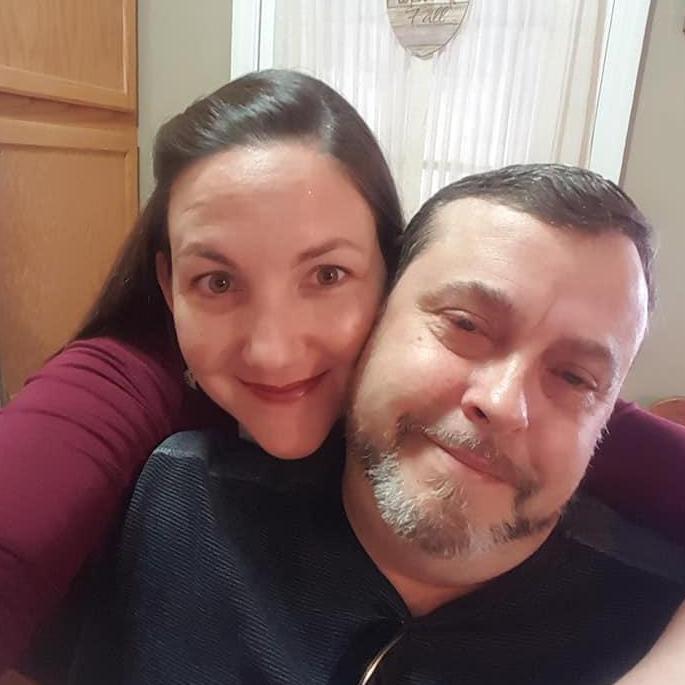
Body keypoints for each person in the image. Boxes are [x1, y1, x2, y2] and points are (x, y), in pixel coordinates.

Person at [0, 70, 683, 676]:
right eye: (465, 324)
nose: (274, 351)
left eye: (327, 274)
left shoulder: (636, 599)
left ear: (382, 282)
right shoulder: (156, 474)